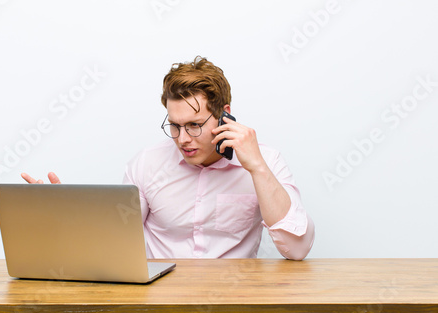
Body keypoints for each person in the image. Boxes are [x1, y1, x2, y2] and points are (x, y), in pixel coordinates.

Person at [22, 56, 315, 260]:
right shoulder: (147, 164)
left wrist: (257, 168)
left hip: (232, 299)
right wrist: (59, 216)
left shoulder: (266, 161)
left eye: (194, 125)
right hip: (158, 303)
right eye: (174, 126)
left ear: (225, 114)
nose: (183, 139)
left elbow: (297, 249)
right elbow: (113, 243)